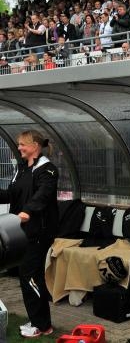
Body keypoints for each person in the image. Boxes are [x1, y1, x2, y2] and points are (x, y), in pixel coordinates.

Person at [0, 130, 58, 338]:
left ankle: (42, 326)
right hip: (21, 232)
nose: (19, 148)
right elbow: (10, 194)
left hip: (38, 233)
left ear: (35, 145)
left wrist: (27, 211)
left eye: (22, 144)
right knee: (27, 277)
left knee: (31, 277)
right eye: (18, 145)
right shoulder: (22, 169)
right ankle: (36, 320)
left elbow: (43, 194)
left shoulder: (48, 170)